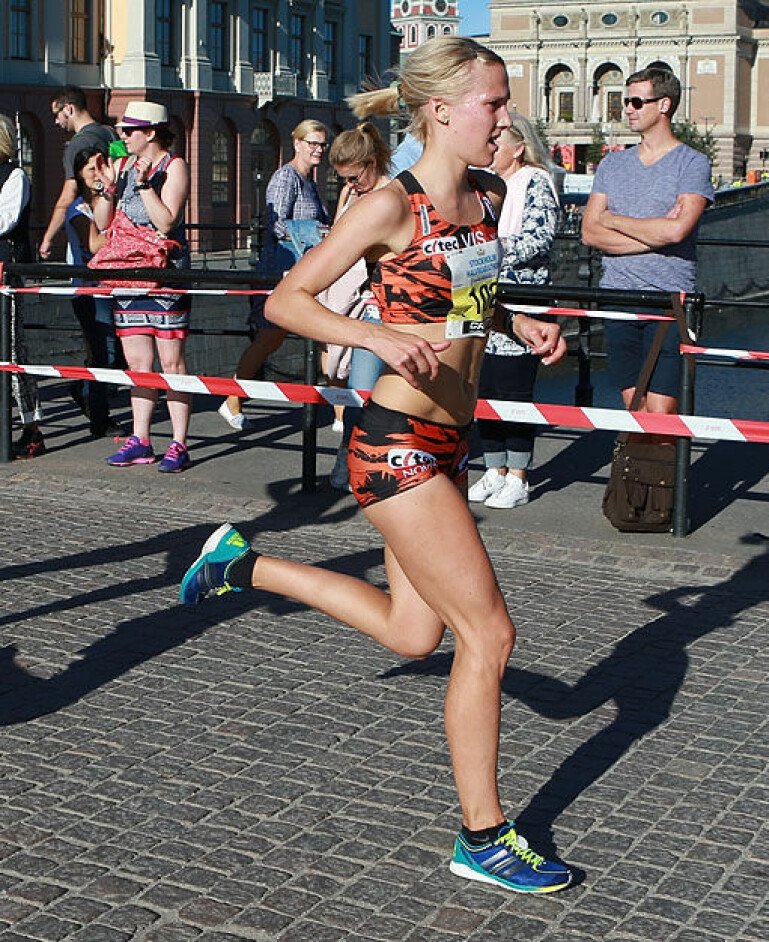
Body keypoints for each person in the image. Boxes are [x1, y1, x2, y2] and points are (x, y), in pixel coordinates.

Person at [180, 36, 573, 894]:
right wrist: (372, 334)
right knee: (489, 635)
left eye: (505, 103)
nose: (506, 117)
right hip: (393, 445)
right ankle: (483, 835)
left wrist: (520, 325)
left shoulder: (486, 193)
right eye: (493, 103)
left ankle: (242, 564)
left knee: (414, 632)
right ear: (440, 110)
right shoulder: (390, 207)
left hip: (449, 442)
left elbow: (468, 299)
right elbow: (288, 299)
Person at [581, 66, 713, 416]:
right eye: (626, 101)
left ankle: (668, 473)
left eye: (637, 102)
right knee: (633, 406)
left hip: (669, 303)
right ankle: (642, 473)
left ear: (664, 105)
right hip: (618, 299)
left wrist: (613, 220)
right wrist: (655, 235)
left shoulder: (692, 163)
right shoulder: (612, 164)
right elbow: (589, 232)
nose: (628, 108)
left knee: (662, 412)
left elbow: (676, 231)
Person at [91, 101, 193, 472]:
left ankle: (179, 443)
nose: (122, 136)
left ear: (150, 132)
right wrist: (105, 190)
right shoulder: (122, 165)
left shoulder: (174, 166)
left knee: (171, 362)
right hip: (130, 274)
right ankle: (141, 438)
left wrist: (144, 185)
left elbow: (166, 223)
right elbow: (104, 224)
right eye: (121, 130)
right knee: (137, 362)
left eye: (129, 131)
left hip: (166, 275)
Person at [468, 113, 560, 509]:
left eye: (497, 142)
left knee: (514, 391)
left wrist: (490, 255)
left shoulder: (534, 181)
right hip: (485, 299)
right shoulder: (482, 183)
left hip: (524, 299)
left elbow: (539, 237)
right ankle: (493, 469)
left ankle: (519, 475)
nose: (490, 149)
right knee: (485, 387)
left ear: (518, 148)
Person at [220, 120, 331, 430]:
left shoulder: (309, 180)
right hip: (282, 271)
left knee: (322, 338)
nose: (318, 149)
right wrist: (309, 241)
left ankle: (340, 413)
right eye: (312, 143)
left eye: (322, 144)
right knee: (269, 339)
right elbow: (277, 224)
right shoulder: (286, 178)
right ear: (296, 144)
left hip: (305, 272)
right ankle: (232, 398)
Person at [323, 122, 393, 491]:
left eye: (353, 176)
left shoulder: (394, 194)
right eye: (342, 179)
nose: (349, 184)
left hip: (392, 307)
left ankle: (382, 464)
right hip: (362, 307)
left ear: (371, 163)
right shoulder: (350, 195)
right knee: (358, 391)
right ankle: (348, 458)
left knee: (397, 396)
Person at [65, 147, 124, 439]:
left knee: (117, 354)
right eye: (91, 169)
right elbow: (94, 244)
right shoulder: (77, 209)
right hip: (88, 291)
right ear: (79, 174)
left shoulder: (111, 201)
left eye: (101, 166)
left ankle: (82, 387)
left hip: (113, 287)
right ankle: (98, 418)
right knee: (105, 354)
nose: (97, 173)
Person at [0, 114, 44, 459]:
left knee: (14, 350)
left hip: (6, 273)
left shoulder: (15, 176)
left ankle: (31, 427)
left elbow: (6, 221)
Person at [39, 86, 117, 261]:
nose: (56, 121)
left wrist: (48, 238)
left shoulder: (77, 144)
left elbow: (69, 193)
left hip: (91, 222)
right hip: (113, 212)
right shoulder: (110, 132)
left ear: (68, 108)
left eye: (57, 114)